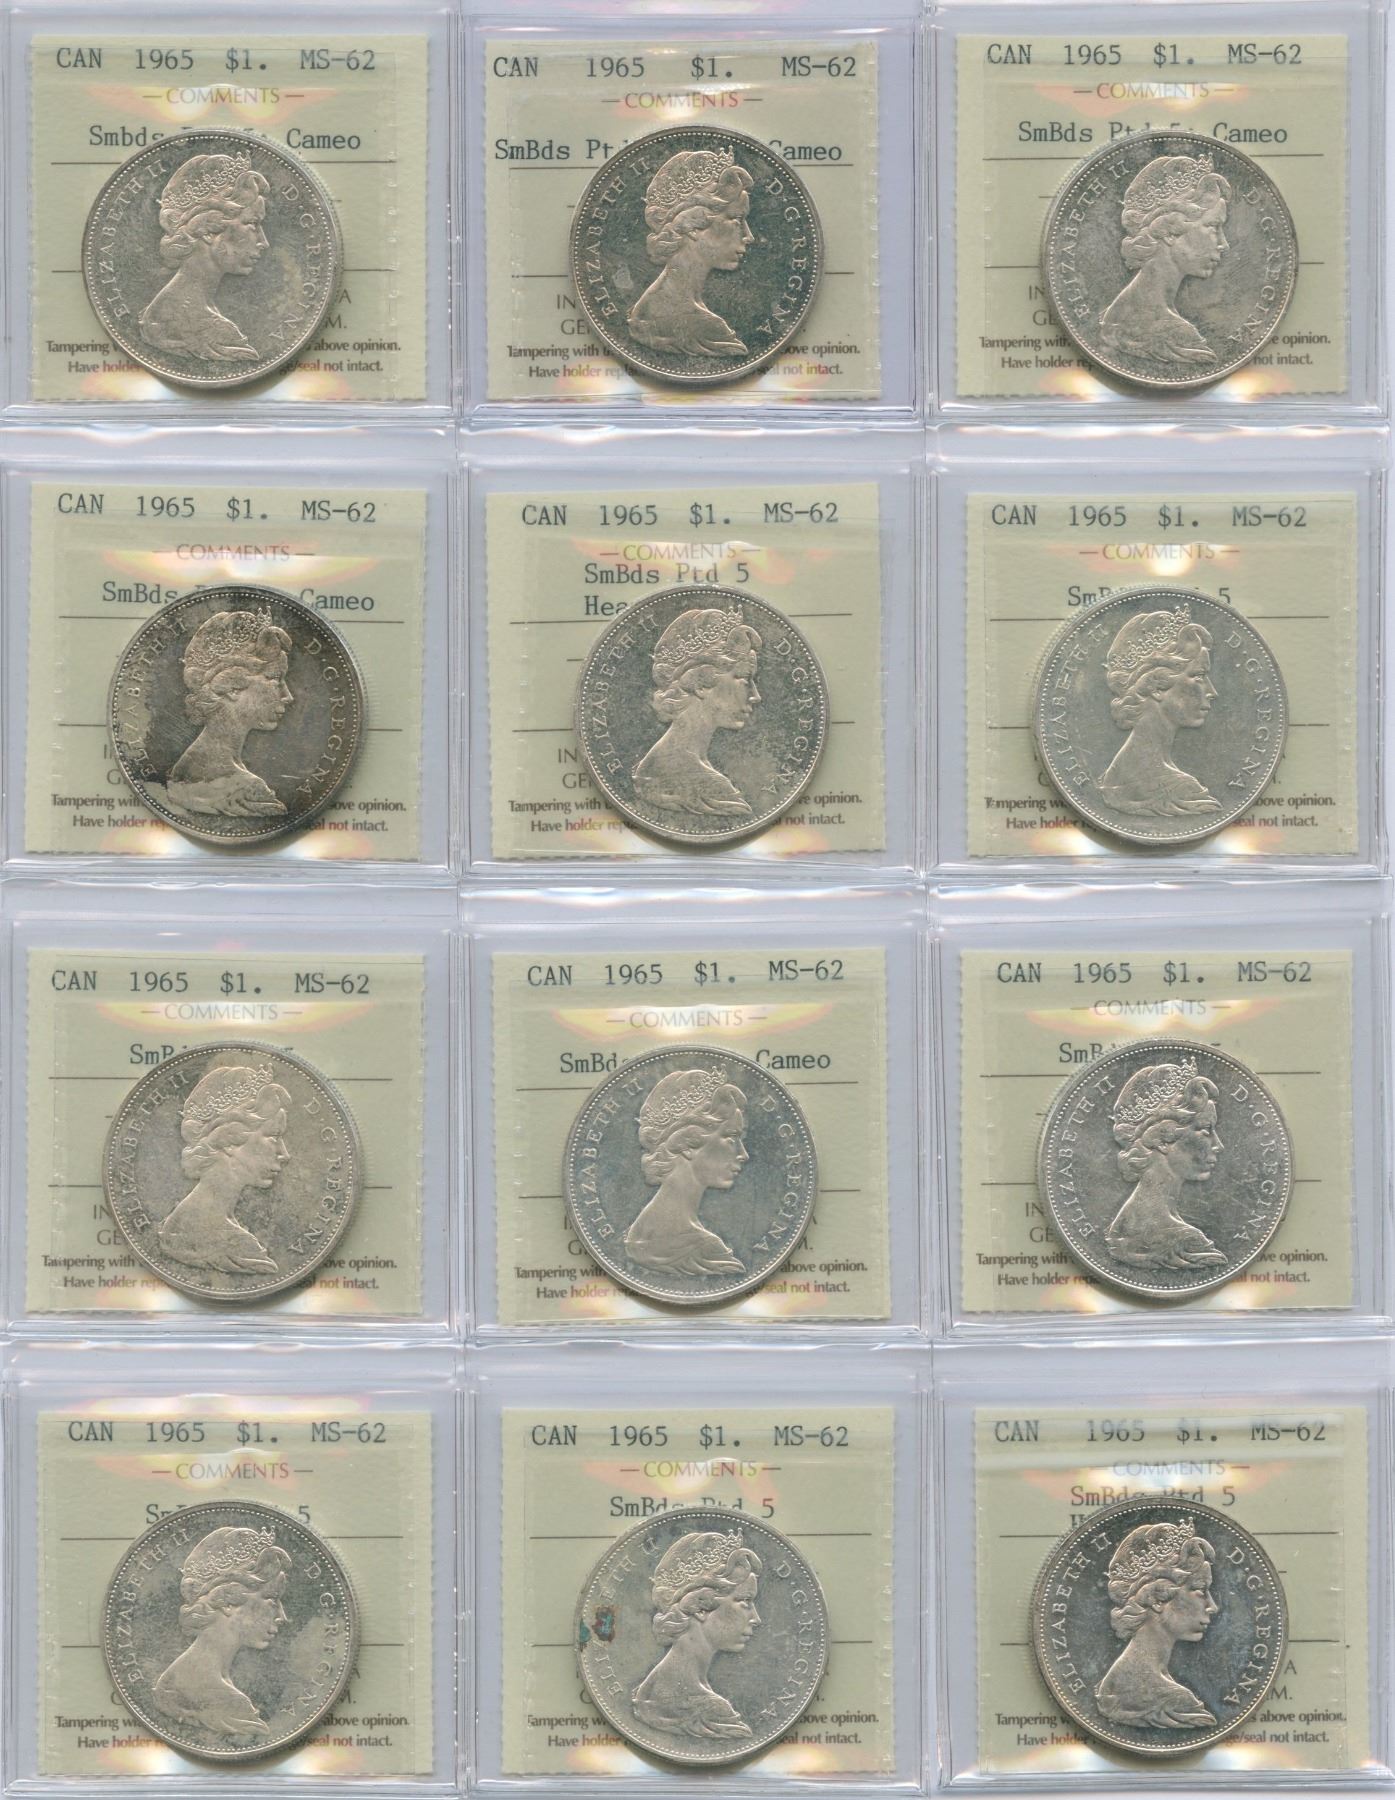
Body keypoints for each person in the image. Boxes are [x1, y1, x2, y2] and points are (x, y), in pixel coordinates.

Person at [152, 1524, 292, 1739]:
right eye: (272, 1599)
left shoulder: (174, 1680)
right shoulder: (230, 1702)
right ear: (227, 1601)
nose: (282, 1616)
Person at [1098, 153, 1232, 369]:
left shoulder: (1115, 313)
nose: (1223, 244)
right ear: (1169, 231)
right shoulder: (1178, 334)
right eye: (1212, 226)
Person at [157, 1063, 291, 1276]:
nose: (284, 1154)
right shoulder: (237, 1246)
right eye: (273, 1137)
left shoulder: (180, 1222)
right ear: (229, 1140)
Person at [139, 150, 270, 365]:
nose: (264, 242)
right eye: (252, 224)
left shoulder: (164, 309)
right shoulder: (211, 330)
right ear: (208, 230)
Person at [632, 1528, 763, 1741]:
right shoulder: (714, 1711)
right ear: (701, 1607)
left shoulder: (647, 1691)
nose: (756, 1618)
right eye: (745, 1601)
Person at [632, 609, 762, 819]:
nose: (756, 695)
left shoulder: (658, 764)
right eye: (745, 679)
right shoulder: (708, 784)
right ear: (701, 683)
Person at [627, 146, 755, 358]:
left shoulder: (646, 309)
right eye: (736, 219)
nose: (749, 236)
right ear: (693, 227)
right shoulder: (708, 327)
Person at [1098, 604, 1222, 819]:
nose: (1212, 692)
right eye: (1199, 676)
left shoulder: (1114, 776)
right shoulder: (1183, 790)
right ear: (1156, 687)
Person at [166, 610, 293, 820]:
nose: (287, 696)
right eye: (275, 679)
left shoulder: (184, 768)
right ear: (233, 687)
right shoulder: (248, 789)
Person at [1104, 1056, 1227, 1272]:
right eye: (1205, 1130)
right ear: (1162, 1139)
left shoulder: (1121, 1226)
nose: (1218, 1145)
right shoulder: (1187, 1242)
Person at [1095, 1518, 1220, 1729]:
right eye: (1200, 1590)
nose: (1212, 1606)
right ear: (1157, 1598)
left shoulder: (1112, 1683)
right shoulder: (1177, 1702)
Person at [625, 1068, 748, 1277]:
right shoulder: (707, 1250)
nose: (743, 1154)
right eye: (731, 1137)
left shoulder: (639, 1233)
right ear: (688, 1143)